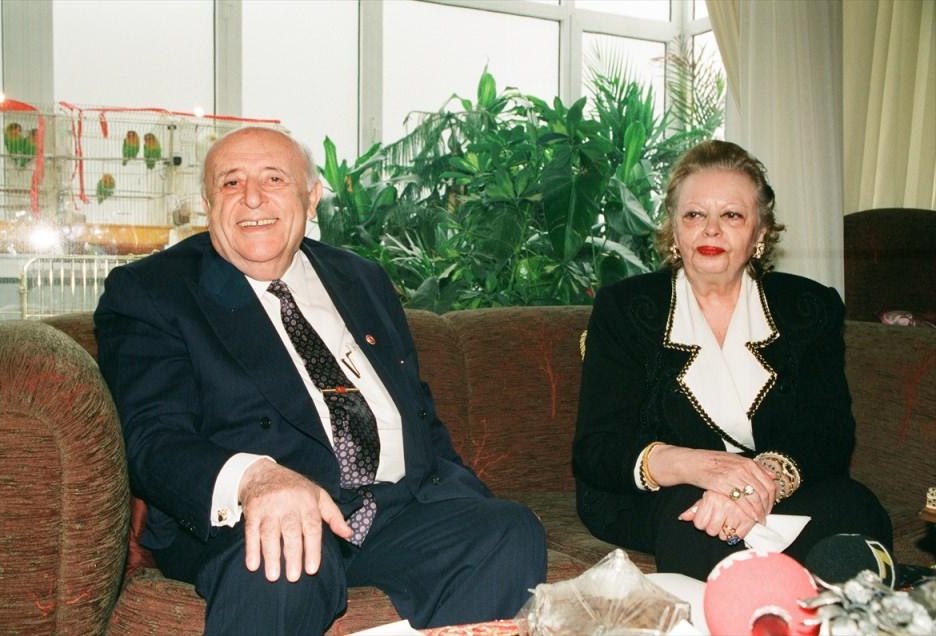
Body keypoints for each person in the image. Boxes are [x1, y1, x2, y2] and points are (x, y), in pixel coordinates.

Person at [95, 126, 546, 635]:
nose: (252, 198)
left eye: (274, 179)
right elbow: (151, 438)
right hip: (257, 515)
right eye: (230, 182)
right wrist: (256, 479)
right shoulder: (154, 291)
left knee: (508, 530)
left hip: (393, 508)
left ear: (311, 199)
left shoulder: (362, 278)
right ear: (208, 204)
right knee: (282, 559)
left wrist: (462, 492)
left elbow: (415, 408)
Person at [572, 140, 892, 580]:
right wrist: (703, 469)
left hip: (773, 486)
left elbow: (828, 430)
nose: (711, 230)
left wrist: (753, 485)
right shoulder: (625, 308)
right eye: (694, 215)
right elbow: (598, 449)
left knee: (856, 509)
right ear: (674, 228)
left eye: (732, 216)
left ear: (760, 233)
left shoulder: (809, 307)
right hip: (660, 492)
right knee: (699, 524)